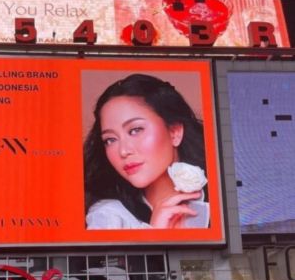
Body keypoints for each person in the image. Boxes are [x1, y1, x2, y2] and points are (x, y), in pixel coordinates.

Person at [83, 74, 210, 229]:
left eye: (135, 130)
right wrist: (154, 237)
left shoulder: (220, 200)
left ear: (174, 132)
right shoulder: (109, 218)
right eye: (110, 140)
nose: (123, 151)